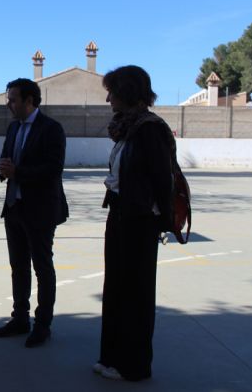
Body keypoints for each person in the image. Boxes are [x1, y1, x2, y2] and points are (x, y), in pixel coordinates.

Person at [95, 65, 175, 381]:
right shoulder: (129, 127)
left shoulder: (149, 129)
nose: (107, 98)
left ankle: (134, 366)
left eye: (111, 91)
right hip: (120, 214)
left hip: (140, 220)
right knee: (115, 288)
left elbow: (161, 180)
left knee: (136, 294)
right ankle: (112, 358)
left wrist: (162, 223)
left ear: (126, 92)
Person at [0, 78, 69, 348]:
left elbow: (53, 168)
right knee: (18, 267)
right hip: (14, 208)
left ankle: (43, 325)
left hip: (40, 210)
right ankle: (20, 319)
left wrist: (18, 173)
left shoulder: (51, 129)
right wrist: (1, 168)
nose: (8, 104)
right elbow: (6, 159)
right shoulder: (13, 128)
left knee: (42, 268)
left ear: (29, 100)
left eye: (13, 99)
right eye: (8, 98)